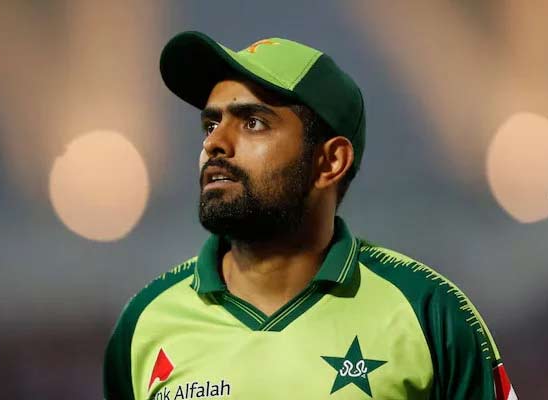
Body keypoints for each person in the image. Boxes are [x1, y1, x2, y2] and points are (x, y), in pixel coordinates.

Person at [103, 31, 517, 400]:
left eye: (253, 123)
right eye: (210, 125)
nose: (216, 144)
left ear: (330, 161)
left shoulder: (429, 312)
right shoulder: (145, 322)